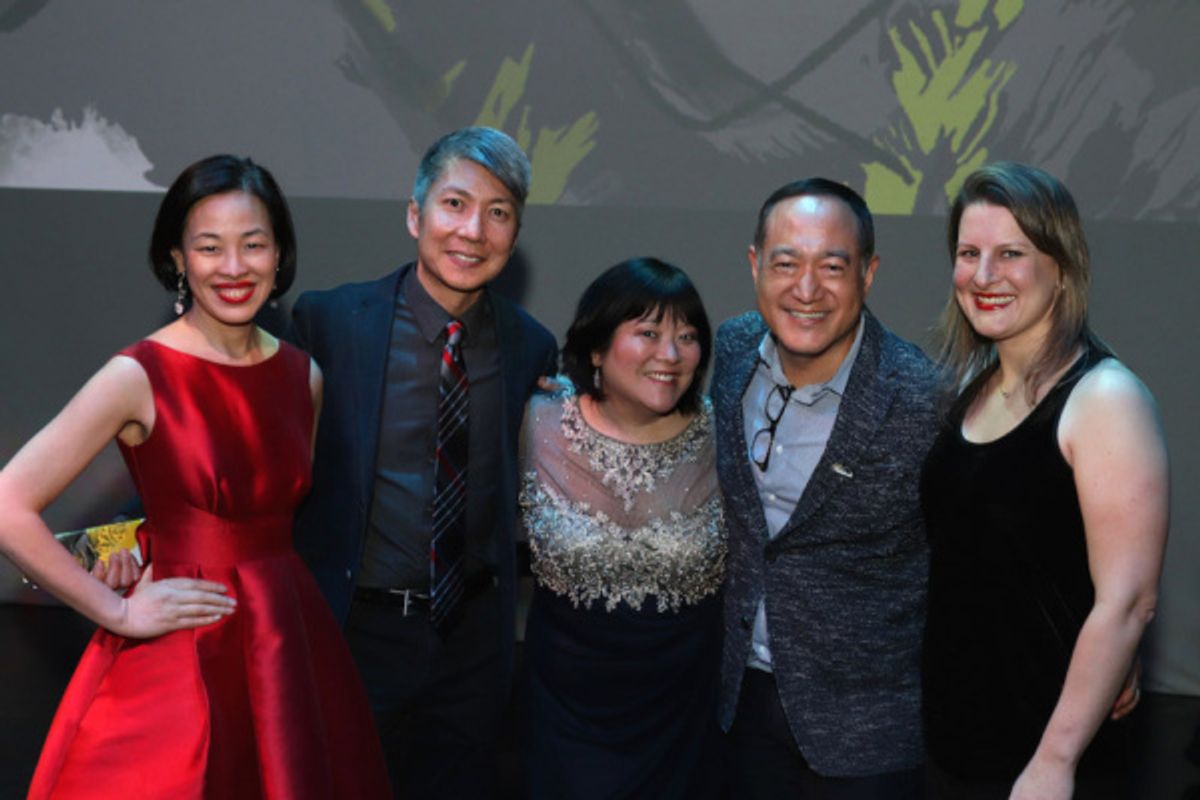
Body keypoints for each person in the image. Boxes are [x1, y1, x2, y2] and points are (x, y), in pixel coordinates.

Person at [0, 155, 390, 798]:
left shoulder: (304, 377)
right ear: (179, 259)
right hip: (179, 648)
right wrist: (117, 608)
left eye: (253, 245)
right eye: (209, 247)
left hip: (288, 645)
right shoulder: (138, 374)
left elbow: (254, 514)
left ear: (279, 254)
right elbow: (13, 503)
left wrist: (125, 545)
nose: (233, 268)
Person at [289, 126, 557, 798]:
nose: (473, 230)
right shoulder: (330, 322)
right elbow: (254, 450)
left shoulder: (530, 345)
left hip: (472, 643)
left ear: (515, 234)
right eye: (455, 204)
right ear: (415, 215)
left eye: (497, 213)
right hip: (356, 630)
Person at [920, 162, 1168, 799]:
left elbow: (1128, 600)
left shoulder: (1105, 398)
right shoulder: (974, 391)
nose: (983, 276)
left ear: (1061, 267)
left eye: (1011, 254)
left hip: (1048, 767)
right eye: (969, 253)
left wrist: (1053, 763)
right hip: (958, 752)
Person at [712, 178, 939, 798]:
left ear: (868, 274)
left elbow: (980, 552)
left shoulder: (921, 398)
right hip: (737, 706)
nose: (806, 289)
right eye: (786, 263)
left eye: (832, 266)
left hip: (868, 731)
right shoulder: (730, 352)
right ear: (756, 264)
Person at [519, 257, 726, 798]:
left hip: (683, 715)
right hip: (563, 715)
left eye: (687, 336)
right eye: (649, 333)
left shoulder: (723, 432)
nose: (671, 354)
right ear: (596, 348)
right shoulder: (537, 420)